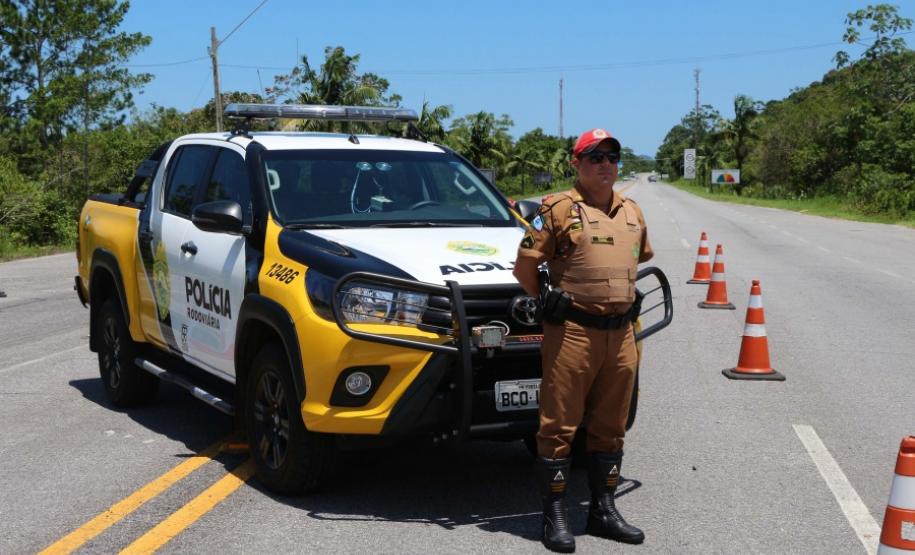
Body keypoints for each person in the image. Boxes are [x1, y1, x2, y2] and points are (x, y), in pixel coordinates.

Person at [513, 128, 653, 552]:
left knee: (611, 425)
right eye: (595, 157)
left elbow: (641, 257)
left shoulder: (632, 212)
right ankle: (555, 516)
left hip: (621, 334)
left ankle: (603, 510)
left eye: (612, 157)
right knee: (559, 426)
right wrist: (547, 300)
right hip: (573, 332)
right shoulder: (554, 210)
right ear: (577, 164)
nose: (605, 164)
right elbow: (524, 267)